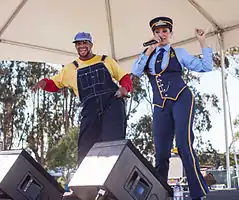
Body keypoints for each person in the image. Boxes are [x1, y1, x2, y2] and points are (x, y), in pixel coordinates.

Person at [132, 17, 213, 200]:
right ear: (153, 35)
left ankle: (198, 194)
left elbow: (206, 67)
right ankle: (160, 194)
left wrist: (202, 42)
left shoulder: (180, 52)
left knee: (184, 145)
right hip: (160, 105)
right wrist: (148, 51)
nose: (162, 35)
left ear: (170, 34)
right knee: (161, 152)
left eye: (165, 31)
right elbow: (136, 72)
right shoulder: (147, 55)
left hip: (181, 99)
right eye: (158, 32)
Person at [32, 32, 132, 165]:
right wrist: (44, 83)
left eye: (84, 43)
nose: (82, 46)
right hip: (90, 110)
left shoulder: (105, 60)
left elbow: (124, 77)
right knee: (85, 148)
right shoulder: (70, 69)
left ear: (91, 44)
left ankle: (114, 179)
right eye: (78, 44)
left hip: (112, 105)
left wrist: (124, 88)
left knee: (113, 144)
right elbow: (54, 84)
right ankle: (86, 182)